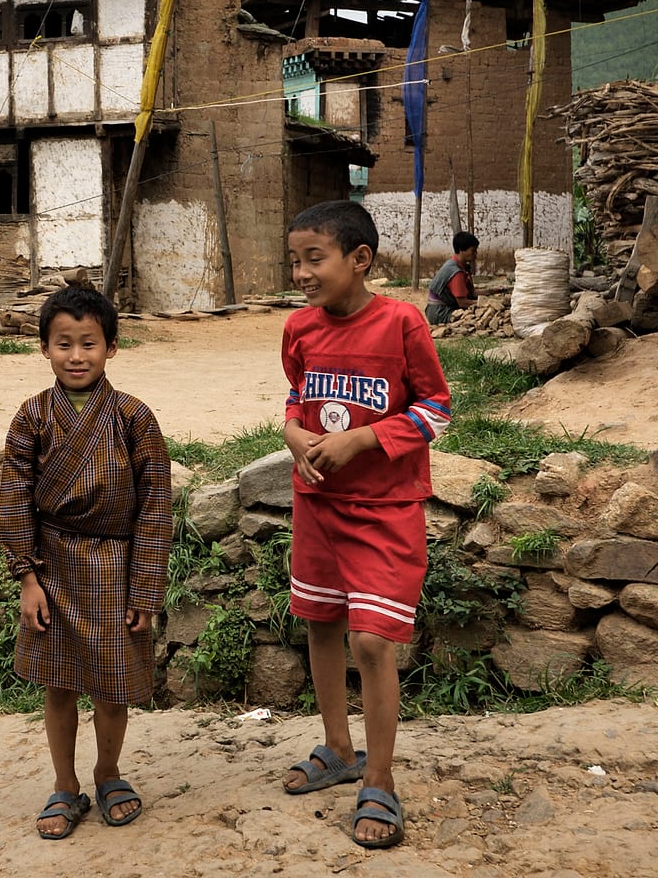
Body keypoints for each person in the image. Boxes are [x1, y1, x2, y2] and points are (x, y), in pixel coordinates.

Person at [279, 200, 452, 850]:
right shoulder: (298, 329)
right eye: (294, 260)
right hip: (316, 506)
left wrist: (363, 442)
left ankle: (379, 778)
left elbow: (438, 409)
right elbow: (298, 399)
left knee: (373, 643)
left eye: (313, 258)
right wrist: (294, 433)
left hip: (385, 514)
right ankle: (337, 747)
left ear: (359, 260)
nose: (301, 272)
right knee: (320, 625)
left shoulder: (402, 323)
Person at [0, 286, 173, 841]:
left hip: (116, 566)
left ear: (111, 348)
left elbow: (155, 509)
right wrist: (27, 576)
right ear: (44, 348)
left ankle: (108, 772)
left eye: (89, 343)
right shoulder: (32, 417)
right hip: (52, 568)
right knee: (58, 684)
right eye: (64, 344)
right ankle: (65, 784)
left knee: (112, 685)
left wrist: (145, 591)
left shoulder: (133, 418)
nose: (77, 356)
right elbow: (13, 499)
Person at [424, 231, 479, 325]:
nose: (476, 253)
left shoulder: (462, 266)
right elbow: (463, 303)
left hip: (445, 307)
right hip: (440, 312)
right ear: (462, 250)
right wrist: (485, 304)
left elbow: (472, 293)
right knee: (474, 317)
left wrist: (493, 291)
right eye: (473, 250)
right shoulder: (456, 272)